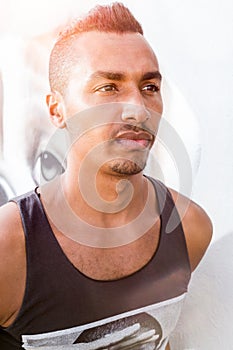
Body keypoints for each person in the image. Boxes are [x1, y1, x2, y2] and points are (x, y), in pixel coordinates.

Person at [0, 3, 212, 349]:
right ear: (57, 110)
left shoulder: (191, 228)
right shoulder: (8, 249)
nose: (137, 108)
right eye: (108, 88)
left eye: (149, 87)